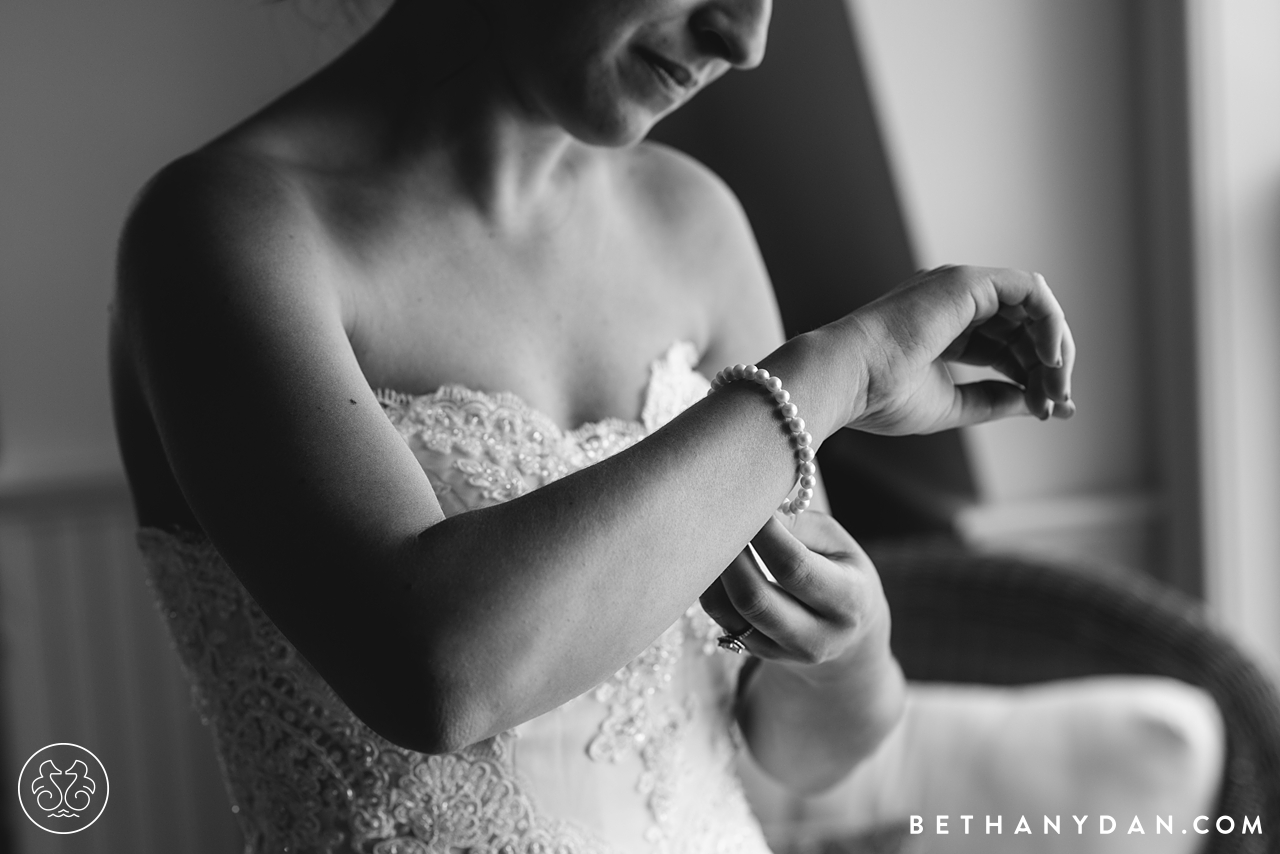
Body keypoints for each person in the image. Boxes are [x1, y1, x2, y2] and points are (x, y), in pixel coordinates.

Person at [108, 1, 1222, 852]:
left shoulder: (695, 226)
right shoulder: (224, 231)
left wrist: (849, 645)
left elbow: (788, 763)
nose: (744, 39)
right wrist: (843, 366)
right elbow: (436, 672)